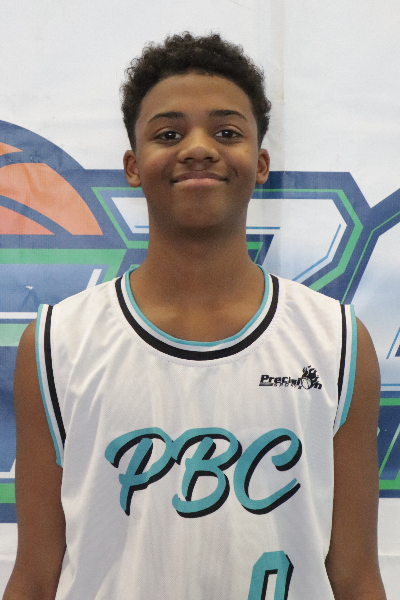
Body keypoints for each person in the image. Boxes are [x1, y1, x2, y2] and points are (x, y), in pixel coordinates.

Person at [4, 32, 386, 600]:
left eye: (227, 132)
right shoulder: (57, 342)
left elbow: (355, 577)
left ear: (260, 164)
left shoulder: (336, 341)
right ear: (133, 166)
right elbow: (35, 575)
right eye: (169, 134)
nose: (199, 148)